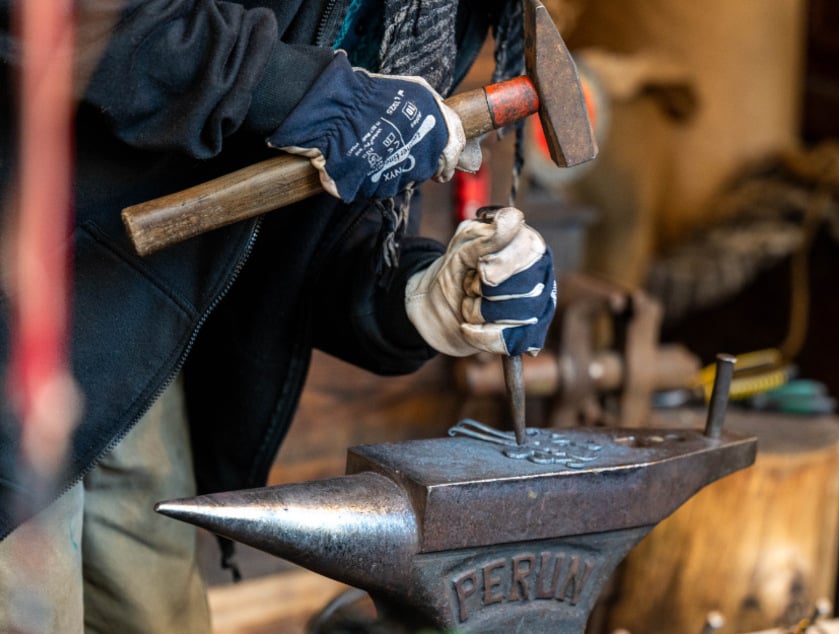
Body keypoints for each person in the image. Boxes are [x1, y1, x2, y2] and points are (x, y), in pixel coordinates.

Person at [0, 0, 557, 631]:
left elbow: (321, 217)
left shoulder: (436, 14)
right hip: (22, 270)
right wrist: (300, 91)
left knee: (158, 614)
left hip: (134, 323)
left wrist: (418, 295)